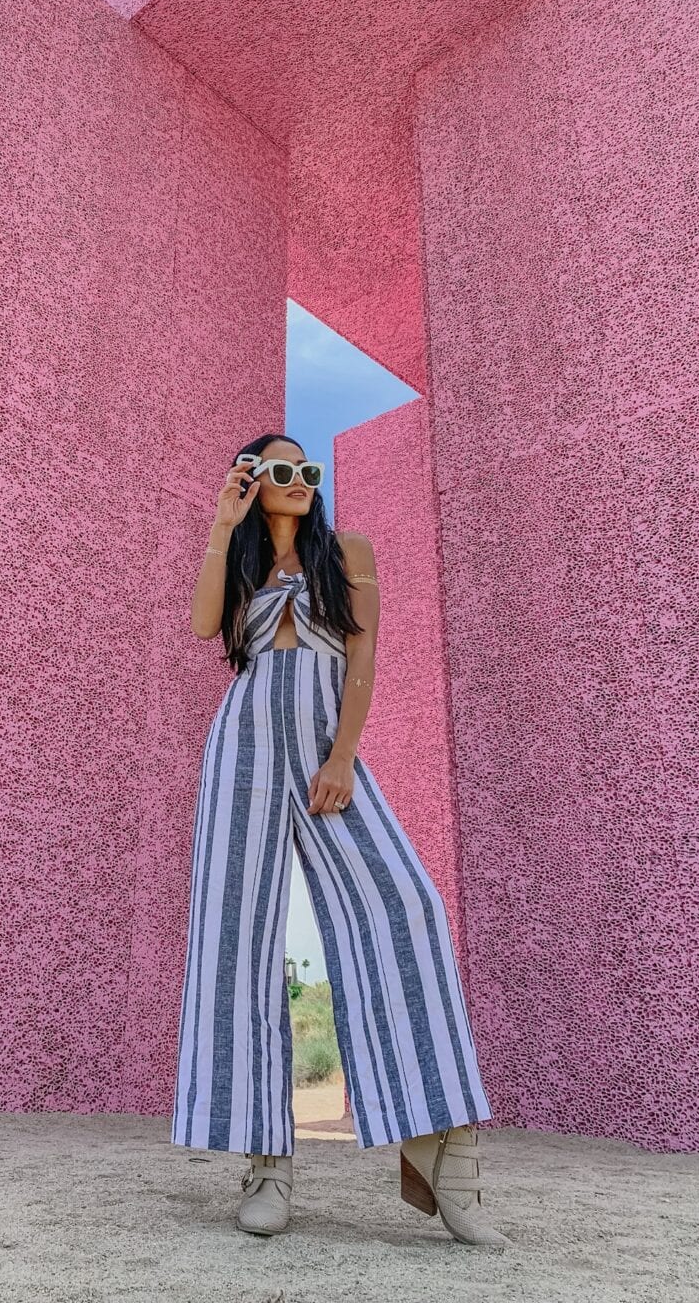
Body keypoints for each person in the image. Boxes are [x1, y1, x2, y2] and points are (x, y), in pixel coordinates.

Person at [170, 433, 509, 1246]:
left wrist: (344, 755)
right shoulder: (246, 559)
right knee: (234, 943)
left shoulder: (346, 551)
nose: (297, 482)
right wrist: (224, 521)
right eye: (278, 472)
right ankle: (266, 1163)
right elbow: (200, 624)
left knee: (410, 905)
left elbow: (364, 655)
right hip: (243, 749)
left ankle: (441, 1144)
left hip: (326, 745)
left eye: (307, 471)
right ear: (254, 482)